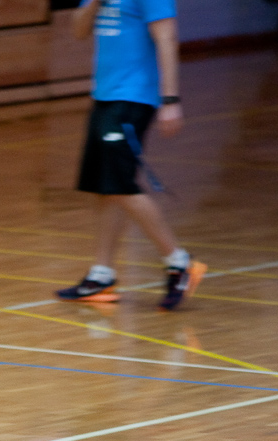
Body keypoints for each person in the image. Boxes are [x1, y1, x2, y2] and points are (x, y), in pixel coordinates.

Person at [56, 0, 206, 310]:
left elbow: (167, 37)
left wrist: (170, 99)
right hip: (105, 96)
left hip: (133, 97)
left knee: (121, 185)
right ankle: (102, 274)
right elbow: (79, 30)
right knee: (106, 187)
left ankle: (179, 263)